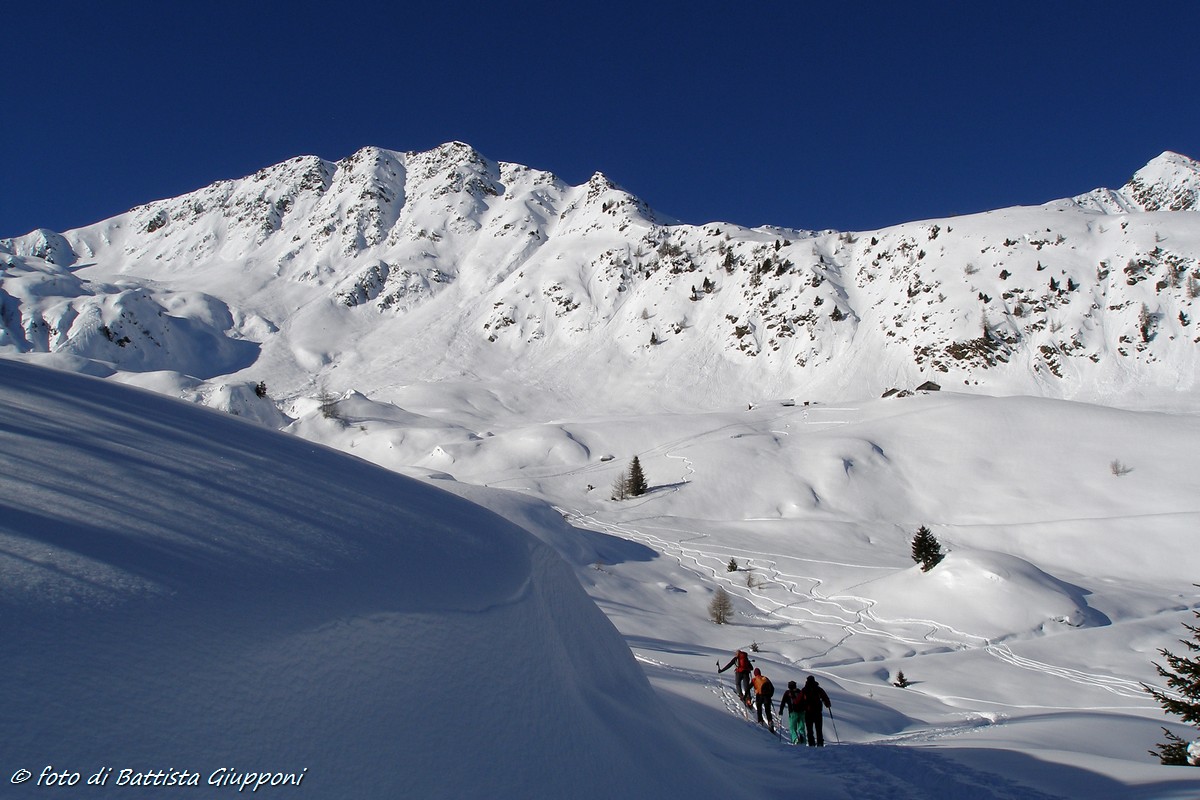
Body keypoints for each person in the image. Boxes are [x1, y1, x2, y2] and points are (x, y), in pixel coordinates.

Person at [802, 675, 832, 746]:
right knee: (818, 729)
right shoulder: (818, 689)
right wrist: (827, 705)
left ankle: (811, 743)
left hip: (808, 712)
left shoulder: (804, 689)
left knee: (809, 729)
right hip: (817, 712)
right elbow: (825, 697)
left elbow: (800, 700)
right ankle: (820, 743)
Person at [778, 680, 806, 745]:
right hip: (801, 712)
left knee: (792, 728)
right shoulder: (800, 692)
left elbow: (783, 703)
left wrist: (781, 711)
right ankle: (803, 740)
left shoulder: (787, 693)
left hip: (793, 713)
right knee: (801, 727)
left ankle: (795, 739)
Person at [751, 667, 775, 732]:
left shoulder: (754, 679)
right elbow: (772, 687)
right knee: (768, 711)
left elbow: (748, 688)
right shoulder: (765, 678)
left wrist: (745, 697)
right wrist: (770, 695)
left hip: (759, 696)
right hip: (767, 697)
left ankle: (760, 721)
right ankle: (770, 722)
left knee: (759, 709)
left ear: (755, 674)